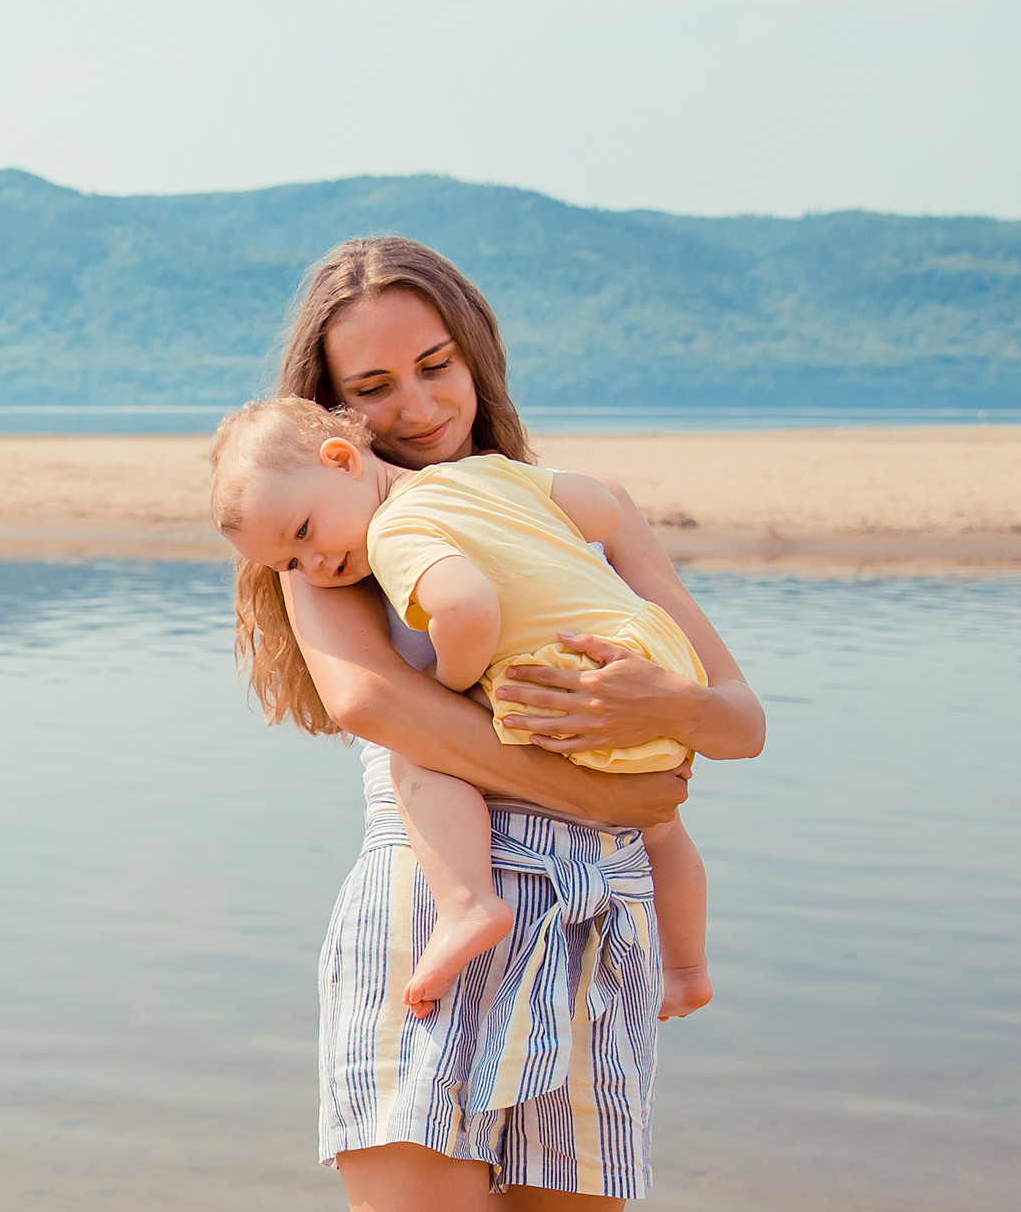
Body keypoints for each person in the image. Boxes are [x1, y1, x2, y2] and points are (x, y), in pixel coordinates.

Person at [234, 237, 763, 1212]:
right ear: (331, 415)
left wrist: (662, 710)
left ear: (475, 355)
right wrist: (622, 785)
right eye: (372, 388)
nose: (415, 407)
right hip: (434, 926)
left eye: (435, 366)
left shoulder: (544, 507)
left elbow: (739, 720)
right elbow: (381, 709)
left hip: (598, 934)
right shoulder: (330, 535)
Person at [209, 395, 715, 1023]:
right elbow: (600, 509)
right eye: (290, 562)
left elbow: (469, 610)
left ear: (342, 461)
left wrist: (449, 685)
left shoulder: (395, 528)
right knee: (662, 826)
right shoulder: (485, 476)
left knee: (418, 755)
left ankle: (468, 902)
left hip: (560, 682)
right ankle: (688, 970)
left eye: (305, 533)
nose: (314, 565)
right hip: (647, 668)